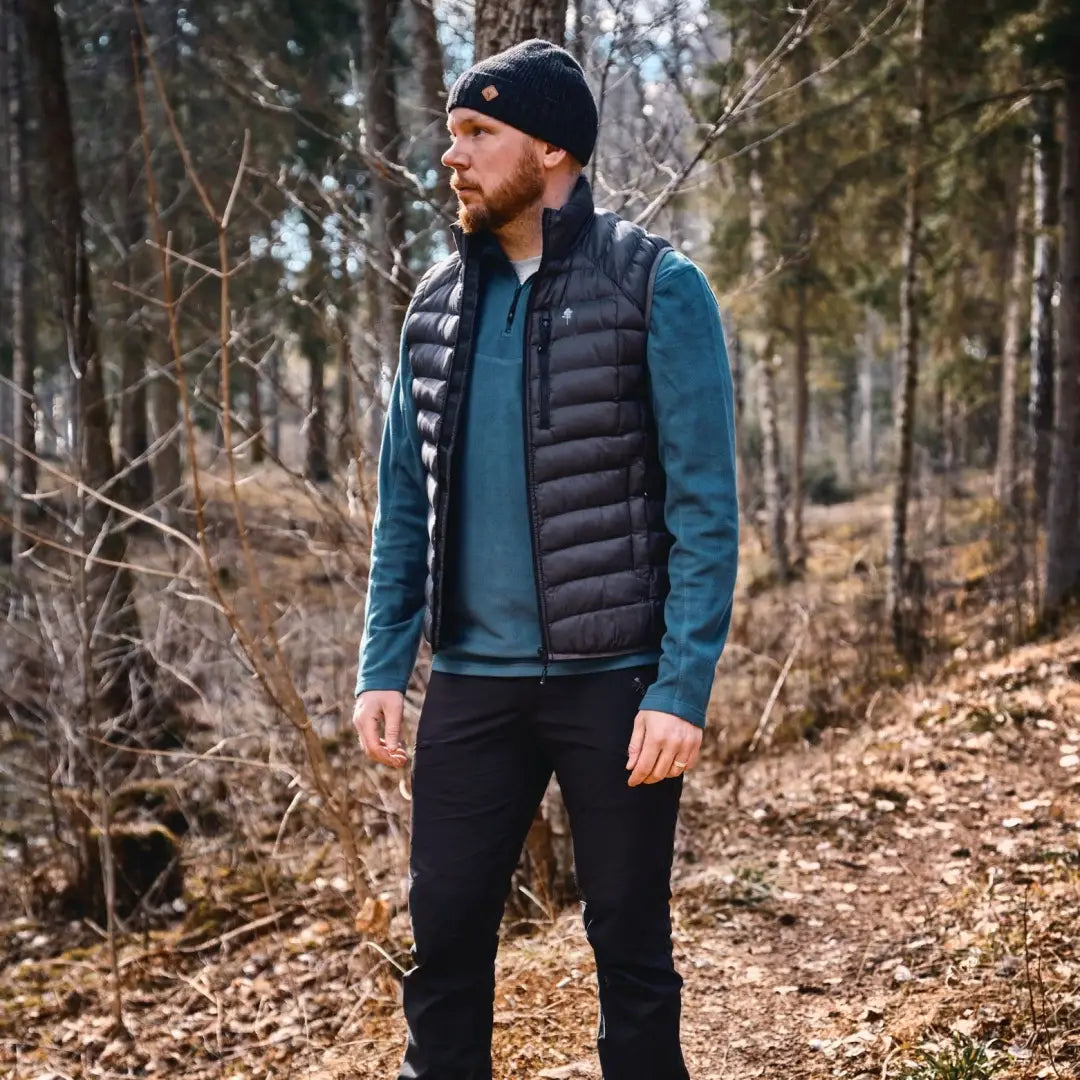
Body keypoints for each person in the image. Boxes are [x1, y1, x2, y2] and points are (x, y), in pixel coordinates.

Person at [352, 38, 738, 1080]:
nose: (455, 156)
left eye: (480, 133)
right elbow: (404, 498)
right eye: (452, 135)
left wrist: (681, 685)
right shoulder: (434, 304)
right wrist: (384, 664)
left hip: (614, 683)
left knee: (631, 954)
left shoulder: (656, 286)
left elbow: (707, 508)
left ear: (554, 147)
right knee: (441, 949)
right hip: (472, 684)